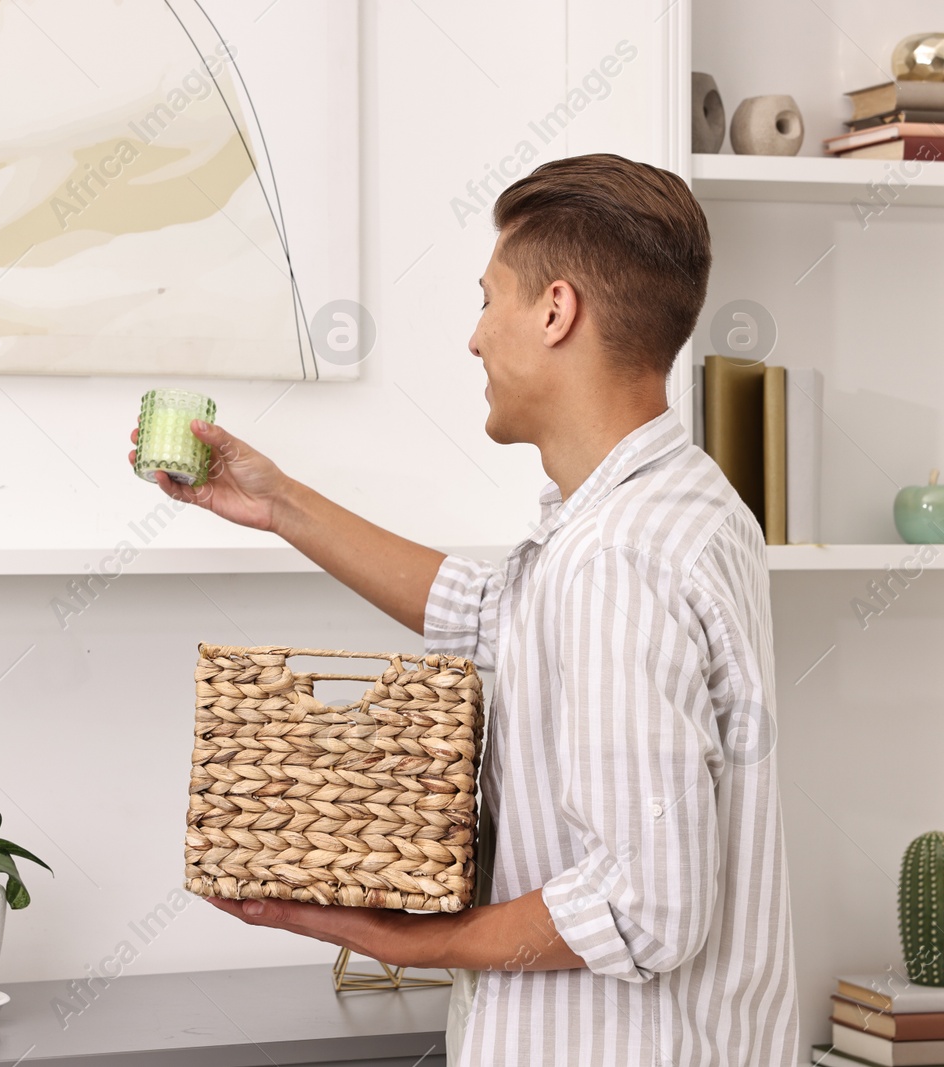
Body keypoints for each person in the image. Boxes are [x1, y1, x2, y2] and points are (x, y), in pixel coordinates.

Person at [129, 153, 798, 1066]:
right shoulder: (685, 505)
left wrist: (417, 940)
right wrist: (276, 501)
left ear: (556, 311)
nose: (475, 338)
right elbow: (495, 614)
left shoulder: (616, 558)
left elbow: (649, 905)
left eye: (489, 299)